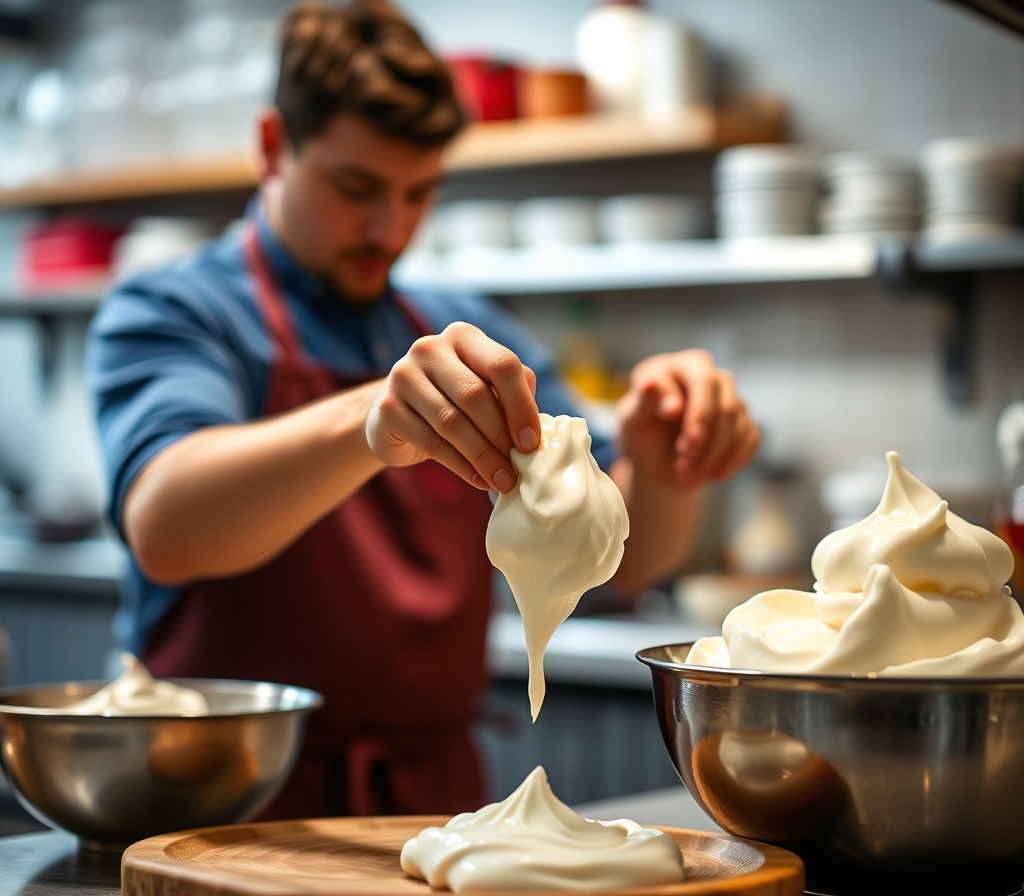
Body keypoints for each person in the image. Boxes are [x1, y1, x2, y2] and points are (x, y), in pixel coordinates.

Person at [87, 0, 760, 819]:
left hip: (430, 804)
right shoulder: (176, 312)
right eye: (356, 187)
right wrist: (371, 419)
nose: (388, 228)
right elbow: (166, 525)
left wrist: (662, 462)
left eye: (419, 194)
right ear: (273, 147)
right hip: (226, 798)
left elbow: (632, 559)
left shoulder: (467, 327)